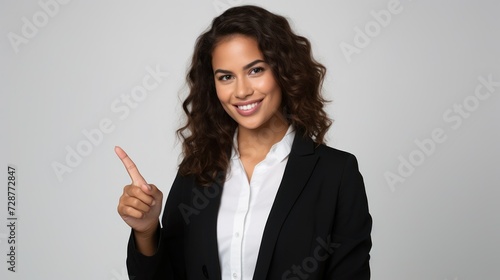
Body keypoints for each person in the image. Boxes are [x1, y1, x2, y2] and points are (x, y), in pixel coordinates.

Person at [116, 5, 372, 280]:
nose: (241, 91)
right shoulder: (197, 171)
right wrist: (146, 231)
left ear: (284, 71)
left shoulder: (336, 173)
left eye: (255, 70)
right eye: (226, 77)